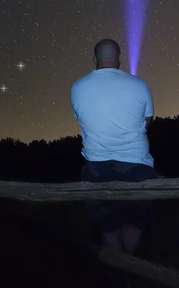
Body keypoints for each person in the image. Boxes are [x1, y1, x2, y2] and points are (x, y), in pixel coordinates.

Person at [70, 38, 158, 255]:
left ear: (94, 59)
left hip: (97, 168)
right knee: (134, 223)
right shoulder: (140, 85)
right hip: (137, 166)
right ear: (119, 57)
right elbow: (147, 122)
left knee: (108, 228)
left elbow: (81, 118)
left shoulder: (77, 87)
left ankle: (121, 271)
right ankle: (131, 265)